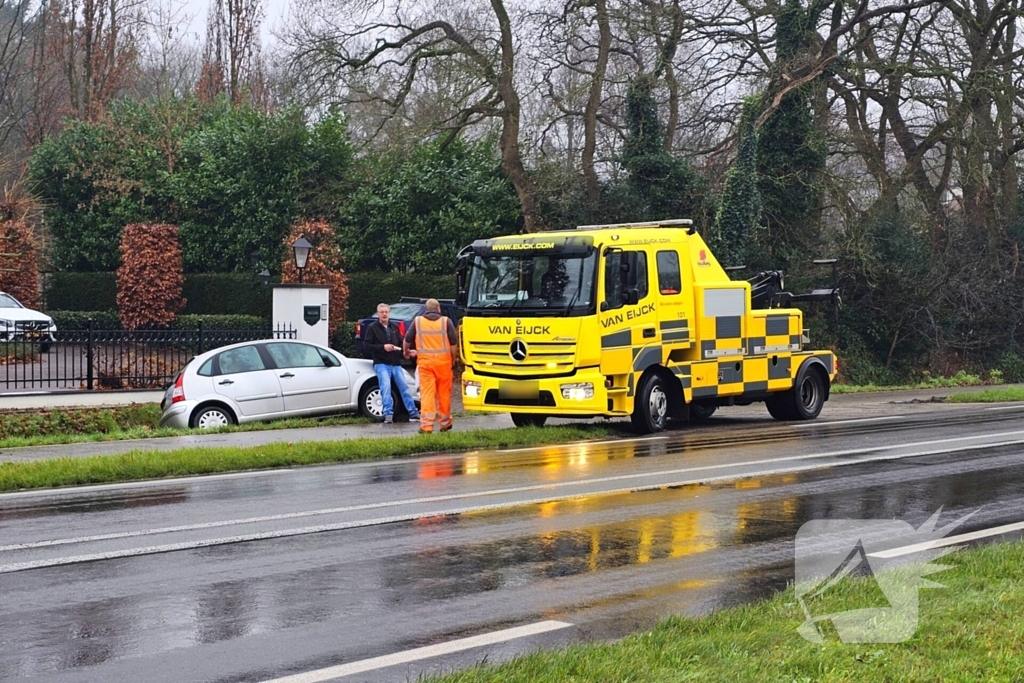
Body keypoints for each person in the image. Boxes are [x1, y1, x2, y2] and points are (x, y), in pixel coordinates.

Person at [404, 299, 459, 433]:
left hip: (425, 364)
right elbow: (453, 344)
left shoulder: (418, 322)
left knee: (427, 394)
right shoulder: (446, 322)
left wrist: (405, 352)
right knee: (444, 394)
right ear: (439, 309)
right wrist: (453, 360)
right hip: (444, 364)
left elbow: (407, 339)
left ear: (425, 310)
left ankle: (427, 426)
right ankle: (445, 424)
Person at [363, 303, 420, 424]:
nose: (384, 314)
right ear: (378, 314)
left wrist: (408, 351)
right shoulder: (372, 328)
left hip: (395, 363)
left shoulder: (394, 326)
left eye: (386, 312)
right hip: (381, 363)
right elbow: (367, 346)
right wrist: (383, 347)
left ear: (389, 313)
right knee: (386, 388)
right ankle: (388, 414)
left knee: (404, 387)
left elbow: (400, 342)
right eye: (382, 312)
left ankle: (413, 413)